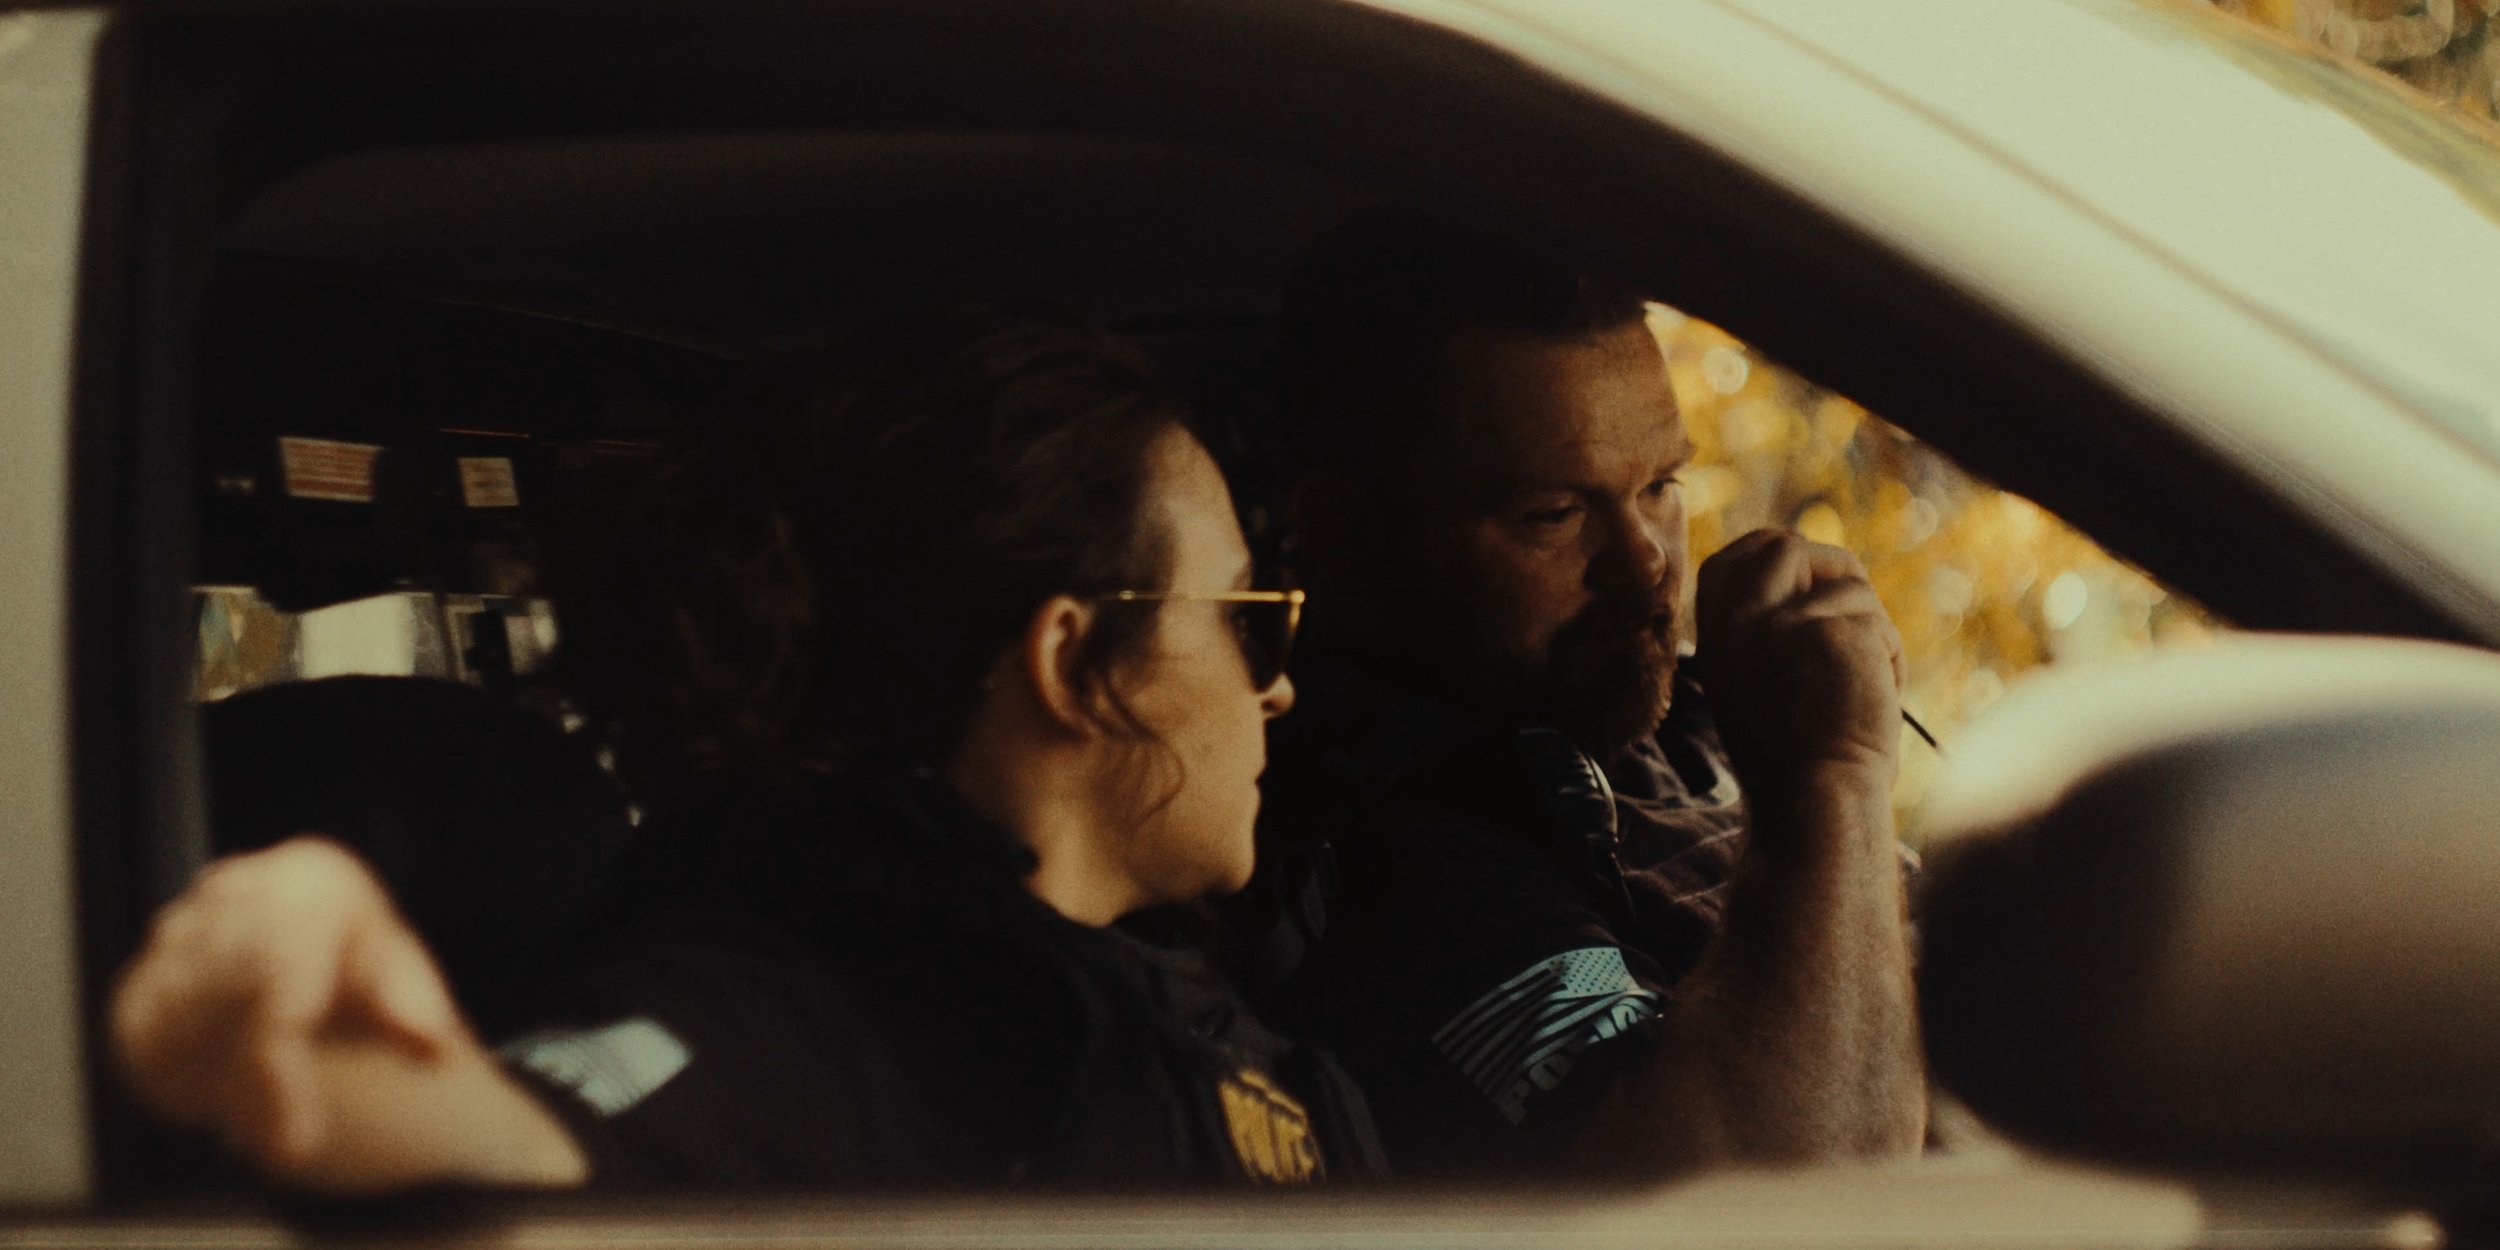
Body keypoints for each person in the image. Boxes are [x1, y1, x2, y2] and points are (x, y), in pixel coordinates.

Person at [110, 314, 1383, 1193]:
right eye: (1243, 618)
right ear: (1075, 663)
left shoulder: (1100, 975)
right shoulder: (797, 1006)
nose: (1274, 690)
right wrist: (317, 1041)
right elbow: (533, 1152)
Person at [1237, 209, 1926, 1176]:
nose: (1646, 565)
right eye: (1554, 514)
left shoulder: (1671, 723)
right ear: (1348, 535)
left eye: (1660, 487)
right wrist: (1835, 782)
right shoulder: (1390, 870)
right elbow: (1784, 1203)